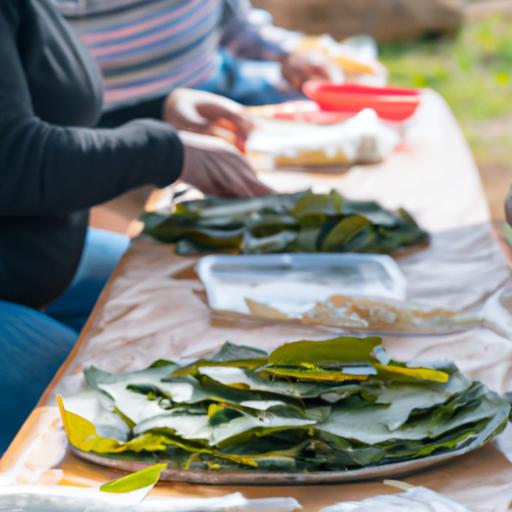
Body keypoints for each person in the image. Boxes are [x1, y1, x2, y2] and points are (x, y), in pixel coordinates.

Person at [0, 0, 271, 452]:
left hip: (37, 259)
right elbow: (13, 160)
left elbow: (36, 113)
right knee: (123, 409)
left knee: (186, 295)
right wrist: (165, 149)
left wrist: (160, 111)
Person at [57, 0, 334, 131]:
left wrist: (286, 53)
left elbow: (235, 23)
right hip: (108, 126)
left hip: (217, 89)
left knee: (326, 111)